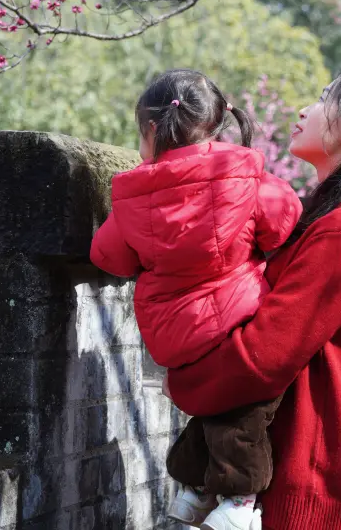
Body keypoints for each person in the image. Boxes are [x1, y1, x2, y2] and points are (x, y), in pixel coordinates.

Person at [163, 66, 341, 530]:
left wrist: (185, 382)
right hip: (319, 481)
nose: (304, 110)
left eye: (324, 98)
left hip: (314, 488)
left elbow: (265, 355)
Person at [89, 69, 302, 530]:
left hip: (175, 336)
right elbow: (283, 221)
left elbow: (109, 256)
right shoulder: (241, 173)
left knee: (213, 409)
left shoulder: (132, 193)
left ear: (149, 129)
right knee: (246, 411)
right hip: (237, 320)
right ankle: (239, 501)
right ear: (217, 122)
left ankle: (194, 489)